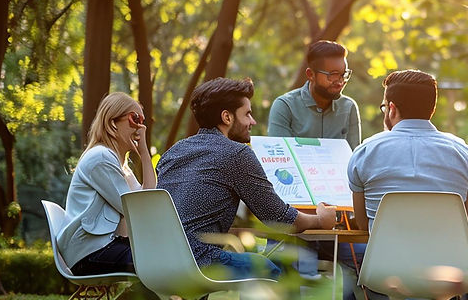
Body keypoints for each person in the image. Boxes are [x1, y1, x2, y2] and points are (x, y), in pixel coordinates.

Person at [156, 77, 336, 279]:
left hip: (155, 261)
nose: (253, 121)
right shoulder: (236, 154)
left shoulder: (173, 153)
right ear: (227, 117)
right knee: (269, 270)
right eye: (247, 114)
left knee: (251, 259)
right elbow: (279, 218)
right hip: (199, 262)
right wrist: (320, 220)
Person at [347, 69, 468, 300]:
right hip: (449, 270)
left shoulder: (365, 152)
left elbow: (364, 225)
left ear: (392, 109)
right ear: (431, 109)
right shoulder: (462, 153)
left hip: (385, 271)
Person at [267, 40, 362, 300]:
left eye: (343, 74)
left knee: (364, 257)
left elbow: (353, 165)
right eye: (331, 75)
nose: (339, 81)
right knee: (295, 265)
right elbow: (279, 168)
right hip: (295, 217)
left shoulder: (349, 108)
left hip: (338, 217)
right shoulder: (285, 106)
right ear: (310, 74)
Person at [59, 92, 156, 275]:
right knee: (158, 262)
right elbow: (136, 210)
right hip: (89, 252)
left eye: (142, 120)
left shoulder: (120, 165)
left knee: (164, 257)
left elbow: (147, 198)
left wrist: (143, 151)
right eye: (134, 119)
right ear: (112, 122)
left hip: (103, 247)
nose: (140, 126)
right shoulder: (101, 158)